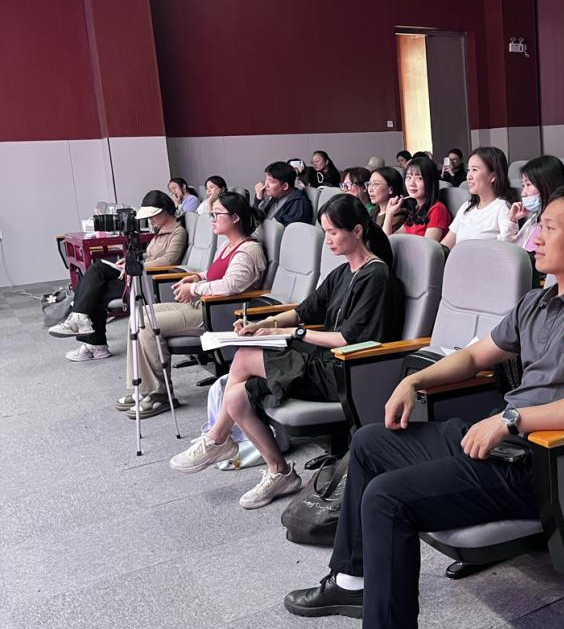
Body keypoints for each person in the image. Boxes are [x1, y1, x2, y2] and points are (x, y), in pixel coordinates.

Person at [281, 183, 564, 629]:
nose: (535, 237)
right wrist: (415, 381)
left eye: (550, 228)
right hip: (501, 439)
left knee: (387, 498)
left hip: (543, 461)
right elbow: (475, 356)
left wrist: (512, 421)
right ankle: (353, 582)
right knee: (370, 442)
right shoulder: (538, 300)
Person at [169, 195, 403, 509]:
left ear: (357, 231)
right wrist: (262, 324)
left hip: (346, 371)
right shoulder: (343, 272)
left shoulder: (375, 276)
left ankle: (216, 439)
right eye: (325, 232)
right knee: (236, 397)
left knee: (244, 357)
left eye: (333, 232)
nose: (328, 240)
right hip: (322, 361)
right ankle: (279, 472)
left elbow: (347, 340)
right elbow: (304, 311)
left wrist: (291, 333)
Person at [114, 192, 266, 418]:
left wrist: (194, 289)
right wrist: (197, 277)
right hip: (203, 305)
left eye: (217, 214)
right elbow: (213, 273)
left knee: (147, 326)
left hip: (218, 313)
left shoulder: (248, 250)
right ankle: (143, 388)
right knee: (140, 315)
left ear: (235, 218)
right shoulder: (228, 245)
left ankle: (159, 394)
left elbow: (232, 285)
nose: (212, 219)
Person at [49, 191, 187, 361]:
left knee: (95, 289)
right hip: (138, 271)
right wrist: (132, 260)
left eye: (153, 216)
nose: (151, 220)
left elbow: (169, 260)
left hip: (147, 279)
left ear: (164, 211)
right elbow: (151, 254)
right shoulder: (160, 230)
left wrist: (136, 266)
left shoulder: (178, 232)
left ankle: (94, 343)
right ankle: (82, 325)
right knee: (96, 272)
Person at [441, 147, 517, 249]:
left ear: (493, 176)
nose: (468, 176)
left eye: (475, 170)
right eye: (468, 170)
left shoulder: (502, 208)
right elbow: (445, 246)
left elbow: (507, 250)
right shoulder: (467, 206)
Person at [505, 155, 564, 252]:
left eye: (528, 184)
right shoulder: (534, 218)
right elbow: (508, 250)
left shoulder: (559, 223)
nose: (523, 193)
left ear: (546, 184)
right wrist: (512, 220)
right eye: (523, 185)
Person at [382, 156, 451, 241]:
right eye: (409, 177)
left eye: (419, 178)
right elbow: (388, 241)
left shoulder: (437, 209)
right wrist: (389, 213)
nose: (412, 183)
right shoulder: (417, 208)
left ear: (430, 181)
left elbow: (428, 247)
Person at [253, 161, 314, 226]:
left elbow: (283, 230)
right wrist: (258, 199)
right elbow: (256, 219)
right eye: (266, 179)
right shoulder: (277, 196)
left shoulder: (299, 204)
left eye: (270, 181)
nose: (266, 185)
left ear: (285, 186)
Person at [367, 167, 407, 231]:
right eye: (369, 184)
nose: (370, 190)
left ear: (390, 189)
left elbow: (384, 236)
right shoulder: (373, 211)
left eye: (376, 184)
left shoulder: (398, 214)